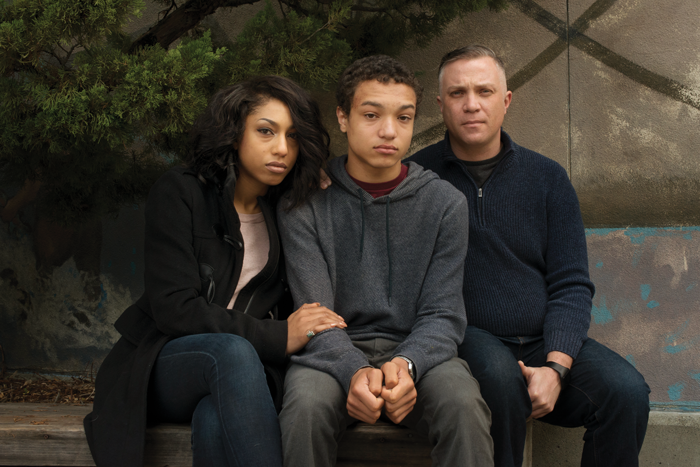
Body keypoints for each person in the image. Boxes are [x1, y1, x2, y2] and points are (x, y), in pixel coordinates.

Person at [83, 76, 347, 467]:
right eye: (265, 131)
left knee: (213, 419)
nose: (281, 149)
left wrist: (323, 181)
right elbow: (174, 308)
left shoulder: (288, 209)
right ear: (232, 133)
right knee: (230, 353)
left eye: (293, 137)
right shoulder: (183, 192)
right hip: (164, 365)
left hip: (249, 375)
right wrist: (279, 334)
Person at [408, 45, 650, 467]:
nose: (471, 104)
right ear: (440, 103)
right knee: (501, 383)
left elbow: (571, 283)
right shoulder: (416, 178)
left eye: (484, 91)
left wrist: (556, 367)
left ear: (505, 100)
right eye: (458, 93)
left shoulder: (548, 178)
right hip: (467, 336)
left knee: (625, 392)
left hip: (542, 341)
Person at [277, 55, 494, 467]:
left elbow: (443, 314)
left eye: (404, 117)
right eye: (371, 115)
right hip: (329, 354)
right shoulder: (304, 203)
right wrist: (355, 370)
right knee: (305, 406)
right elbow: (315, 317)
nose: (389, 131)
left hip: (418, 354)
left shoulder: (445, 204)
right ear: (343, 117)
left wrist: (406, 366)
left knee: (463, 404)